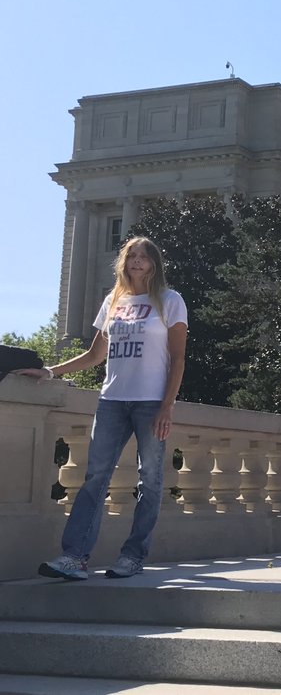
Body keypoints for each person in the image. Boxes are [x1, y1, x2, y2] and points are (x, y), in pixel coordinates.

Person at [22, 237, 188, 580]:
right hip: (112, 399)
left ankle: (133, 555)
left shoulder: (170, 301)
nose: (137, 261)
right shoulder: (114, 301)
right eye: (131, 256)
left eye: (143, 256)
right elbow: (95, 356)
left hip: (150, 402)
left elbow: (178, 358)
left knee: (150, 480)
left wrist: (166, 406)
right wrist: (51, 371)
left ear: (154, 263)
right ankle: (75, 557)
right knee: (96, 477)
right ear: (123, 263)